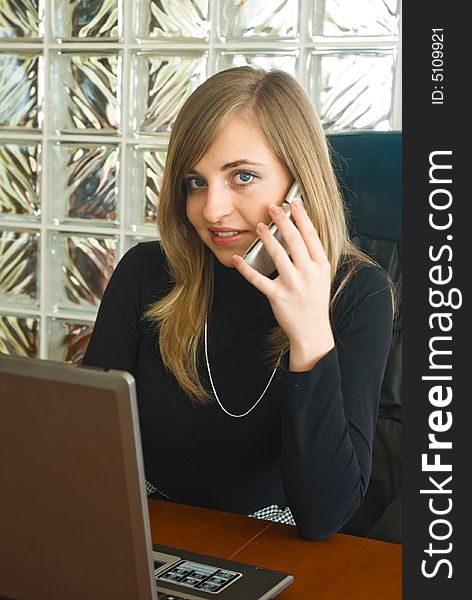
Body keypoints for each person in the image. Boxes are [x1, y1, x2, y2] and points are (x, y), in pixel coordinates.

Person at [82, 66, 393, 541]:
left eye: (242, 176)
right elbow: (86, 442)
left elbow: (325, 516)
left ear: (300, 185)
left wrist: (309, 333)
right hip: (146, 528)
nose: (210, 210)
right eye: (195, 182)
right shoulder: (147, 272)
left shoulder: (357, 292)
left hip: (267, 541)